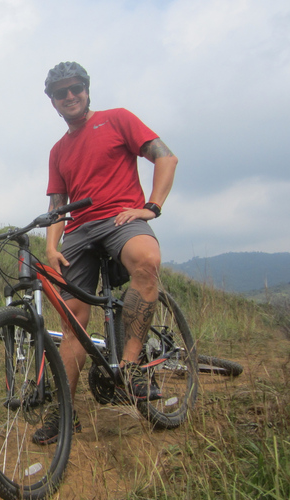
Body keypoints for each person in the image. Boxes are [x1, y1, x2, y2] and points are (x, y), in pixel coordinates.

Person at [32, 62, 179, 445]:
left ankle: (130, 368)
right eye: (60, 92)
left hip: (120, 218)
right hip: (78, 232)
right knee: (72, 324)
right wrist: (51, 245)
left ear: (86, 89)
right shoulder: (58, 150)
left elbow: (165, 156)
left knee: (146, 261)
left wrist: (153, 206)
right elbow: (57, 203)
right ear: (53, 101)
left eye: (75, 87)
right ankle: (64, 413)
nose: (69, 96)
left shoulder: (117, 119)